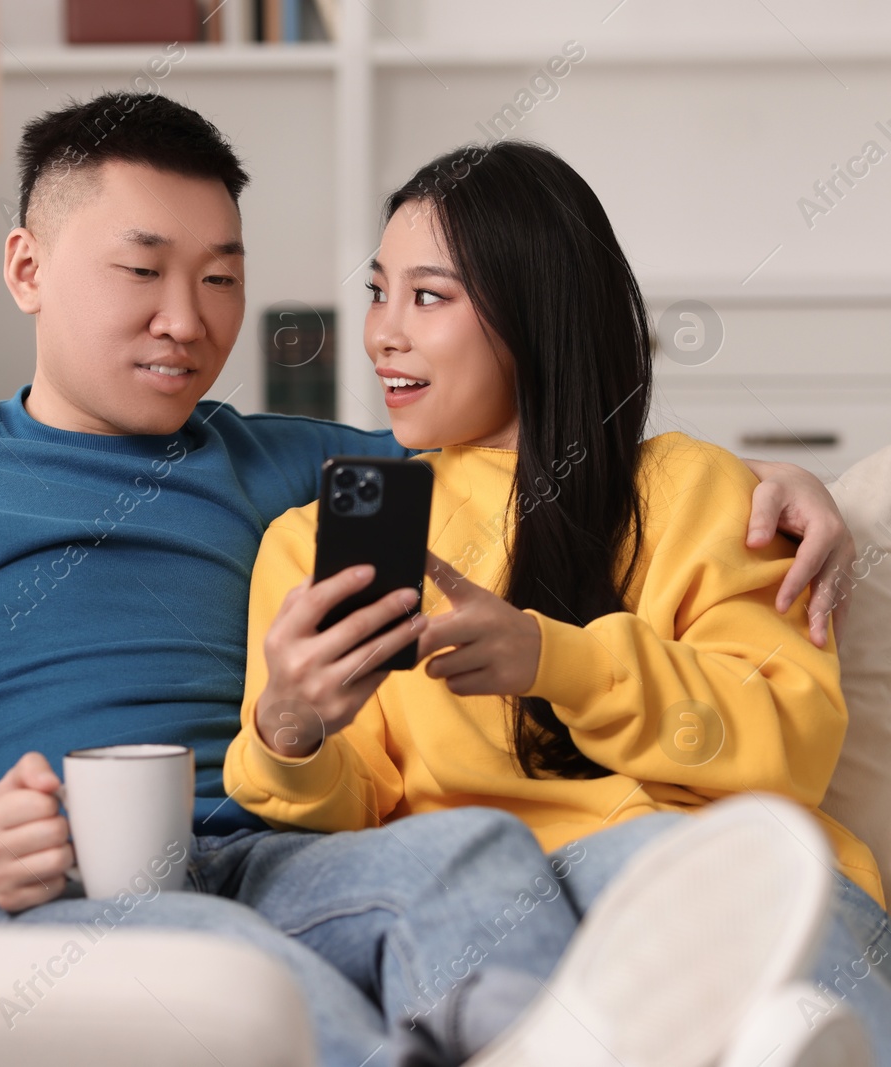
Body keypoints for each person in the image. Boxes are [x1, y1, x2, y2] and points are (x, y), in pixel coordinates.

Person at [0, 94, 858, 1065]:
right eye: (142, 270)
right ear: (27, 268)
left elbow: (533, 446)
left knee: (465, 850)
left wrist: (797, 485)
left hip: (258, 855)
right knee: (240, 969)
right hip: (28, 891)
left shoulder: (290, 467)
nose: (186, 320)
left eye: (221, 278)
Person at [224, 140, 890, 1061]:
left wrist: (557, 661)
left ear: (535, 311)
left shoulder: (696, 489)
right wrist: (288, 726)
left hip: (704, 868)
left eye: (428, 295)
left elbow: (790, 743)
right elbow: (360, 815)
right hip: (493, 916)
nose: (382, 331)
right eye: (378, 290)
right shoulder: (317, 540)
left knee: (791, 976)